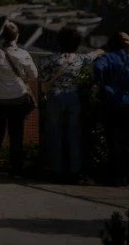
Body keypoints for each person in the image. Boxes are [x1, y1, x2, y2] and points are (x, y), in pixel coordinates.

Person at [39, 25, 98, 181]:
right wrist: (101, 51)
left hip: (55, 96)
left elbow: (43, 78)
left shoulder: (51, 59)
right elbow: (92, 56)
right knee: (73, 133)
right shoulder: (79, 59)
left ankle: (56, 169)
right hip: (72, 96)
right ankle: (75, 170)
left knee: (55, 133)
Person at [0, 20, 38, 177]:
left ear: (2, 36)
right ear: (17, 36)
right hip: (18, 98)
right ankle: (15, 169)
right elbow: (34, 75)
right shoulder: (23, 54)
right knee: (16, 135)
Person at [93, 31, 129, 186]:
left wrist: (102, 84)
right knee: (125, 140)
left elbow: (98, 68)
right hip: (128, 104)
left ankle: (114, 175)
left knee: (112, 140)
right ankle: (125, 175)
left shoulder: (107, 58)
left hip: (110, 103)